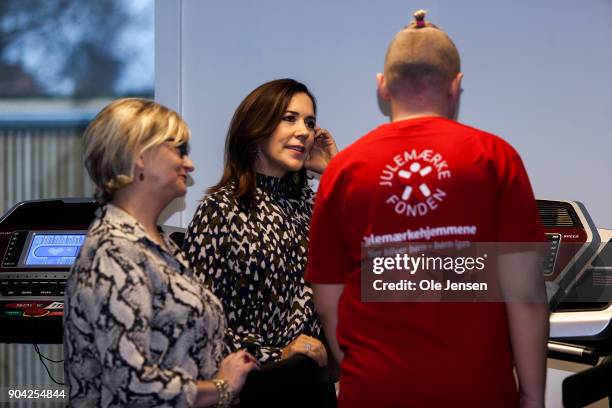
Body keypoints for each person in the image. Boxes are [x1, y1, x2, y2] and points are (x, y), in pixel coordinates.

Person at [307, 10, 549, 408]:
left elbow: (327, 300)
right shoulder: (495, 158)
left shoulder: (343, 170)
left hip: (374, 393)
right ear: (456, 86)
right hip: (477, 393)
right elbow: (524, 294)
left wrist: (365, 370)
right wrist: (533, 396)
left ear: (383, 87)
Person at [63, 98, 258, 408]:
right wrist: (222, 387)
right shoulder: (113, 251)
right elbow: (133, 385)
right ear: (140, 155)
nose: (189, 164)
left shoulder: (160, 245)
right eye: (179, 149)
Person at [184, 78, 338, 405]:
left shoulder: (314, 207)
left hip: (314, 390)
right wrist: (277, 354)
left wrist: (334, 171)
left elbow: (362, 269)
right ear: (257, 127)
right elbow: (204, 324)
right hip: (255, 391)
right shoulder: (221, 210)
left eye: (309, 123)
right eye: (289, 118)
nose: (304, 131)